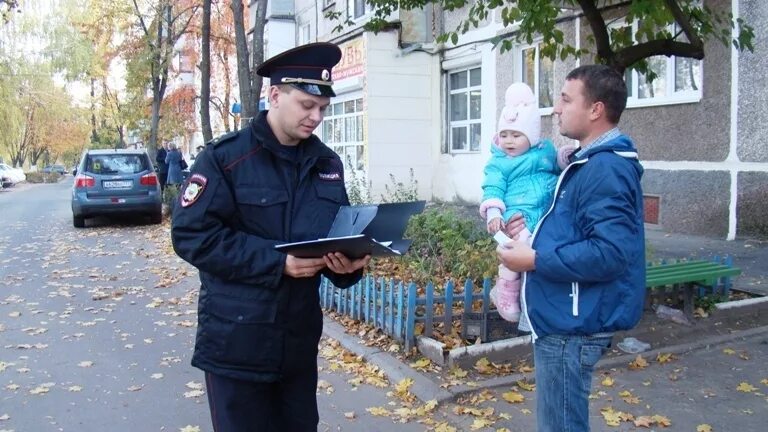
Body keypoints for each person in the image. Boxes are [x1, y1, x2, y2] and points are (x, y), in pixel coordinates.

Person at [170, 42, 370, 431]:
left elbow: (335, 235)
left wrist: (348, 267)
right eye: (307, 106)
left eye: (322, 109)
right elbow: (192, 234)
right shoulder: (225, 159)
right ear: (274, 95)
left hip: (296, 346)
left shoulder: (326, 163)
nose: (316, 117)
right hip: (236, 344)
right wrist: (277, 262)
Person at [497, 64, 645, 432]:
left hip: (572, 327)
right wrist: (529, 231)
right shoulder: (587, 163)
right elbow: (574, 229)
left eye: (565, 99)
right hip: (564, 319)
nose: (556, 109)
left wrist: (534, 258)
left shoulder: (605, 168)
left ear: (595, 109)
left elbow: (610, 254)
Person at [479, 82, 564, 323]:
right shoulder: (499, 162)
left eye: (516, 135)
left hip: (543, 211)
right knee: (518, 246)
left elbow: (557, 163)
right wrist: (494, 212)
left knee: (539, 246)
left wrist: (564, 157)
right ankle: (506, 290)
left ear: (532, 136)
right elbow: (493, 187)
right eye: (504, 135)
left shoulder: (544, 150)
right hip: (517, 212)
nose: (509, 141)